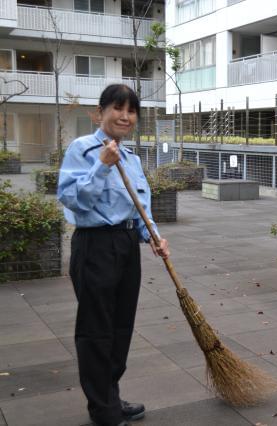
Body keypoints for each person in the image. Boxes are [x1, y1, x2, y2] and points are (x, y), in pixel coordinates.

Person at [58, 84, 169, 426]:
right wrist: (102, 166)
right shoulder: (83, 149)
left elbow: (139, 206)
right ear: (99, 113)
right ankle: (102, 409)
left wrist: (154, 236)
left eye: (131, 110)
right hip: (94, 246)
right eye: (117, 108)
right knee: (96, 329)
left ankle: (111, 395)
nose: (125, 116)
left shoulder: (133, 158)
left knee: (121, 327)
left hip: (125, 248)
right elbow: (73, 200)